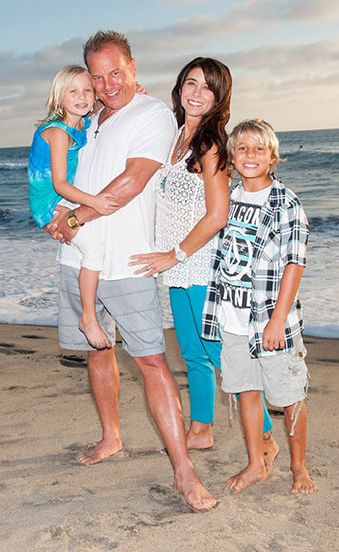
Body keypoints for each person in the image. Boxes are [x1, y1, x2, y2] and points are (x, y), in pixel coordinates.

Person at [47, 30, 217, 511]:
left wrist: (74, 217)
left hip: (127, 261)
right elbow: (58, 167)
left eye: (116, 73)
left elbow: (133, 181)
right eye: (97, 77)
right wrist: (56, 215)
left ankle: (184, 472)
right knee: (96, 351)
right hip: (78, 258)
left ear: (133, 67)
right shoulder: (89, 117)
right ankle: (111, 438)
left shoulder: (153, 114)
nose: (107, 84)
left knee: (150, 361)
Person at [128, 58, 278, 470]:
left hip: (200, 262)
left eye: (207, 88)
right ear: (179, 88)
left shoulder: (211, 144)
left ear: (219, 98)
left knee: (219, 353)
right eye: (190, 83)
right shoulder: (176, 134)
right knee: (192, 352)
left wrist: (173, 253)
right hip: (178, 266)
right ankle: (201, 430)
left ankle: (265, 433)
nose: (196, 93)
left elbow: (217, 215)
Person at [202, 118, 316, 495]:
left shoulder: (286, 203)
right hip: (232, 318)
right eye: (243, 148)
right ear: (232, 157)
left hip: (270, 320)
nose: (251, 155)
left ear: (273, 157)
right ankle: (256, 463)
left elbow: (294, 264)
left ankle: (299, 468)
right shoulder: (228, 198)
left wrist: (277, 320)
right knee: (246, 391)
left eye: (259, 149)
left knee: (288, 396)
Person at [28, 65, 118, 349]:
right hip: (50, 204)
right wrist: (94, 202)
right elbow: (59, 185)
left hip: (61, 201)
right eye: (73, 91)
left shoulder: (80, 123)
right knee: (94, 250)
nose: (82, 96)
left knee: (96, 242)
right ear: (59, 96)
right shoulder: (57, 133)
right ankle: (88, 318)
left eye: (87, 90)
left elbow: (96, 107)